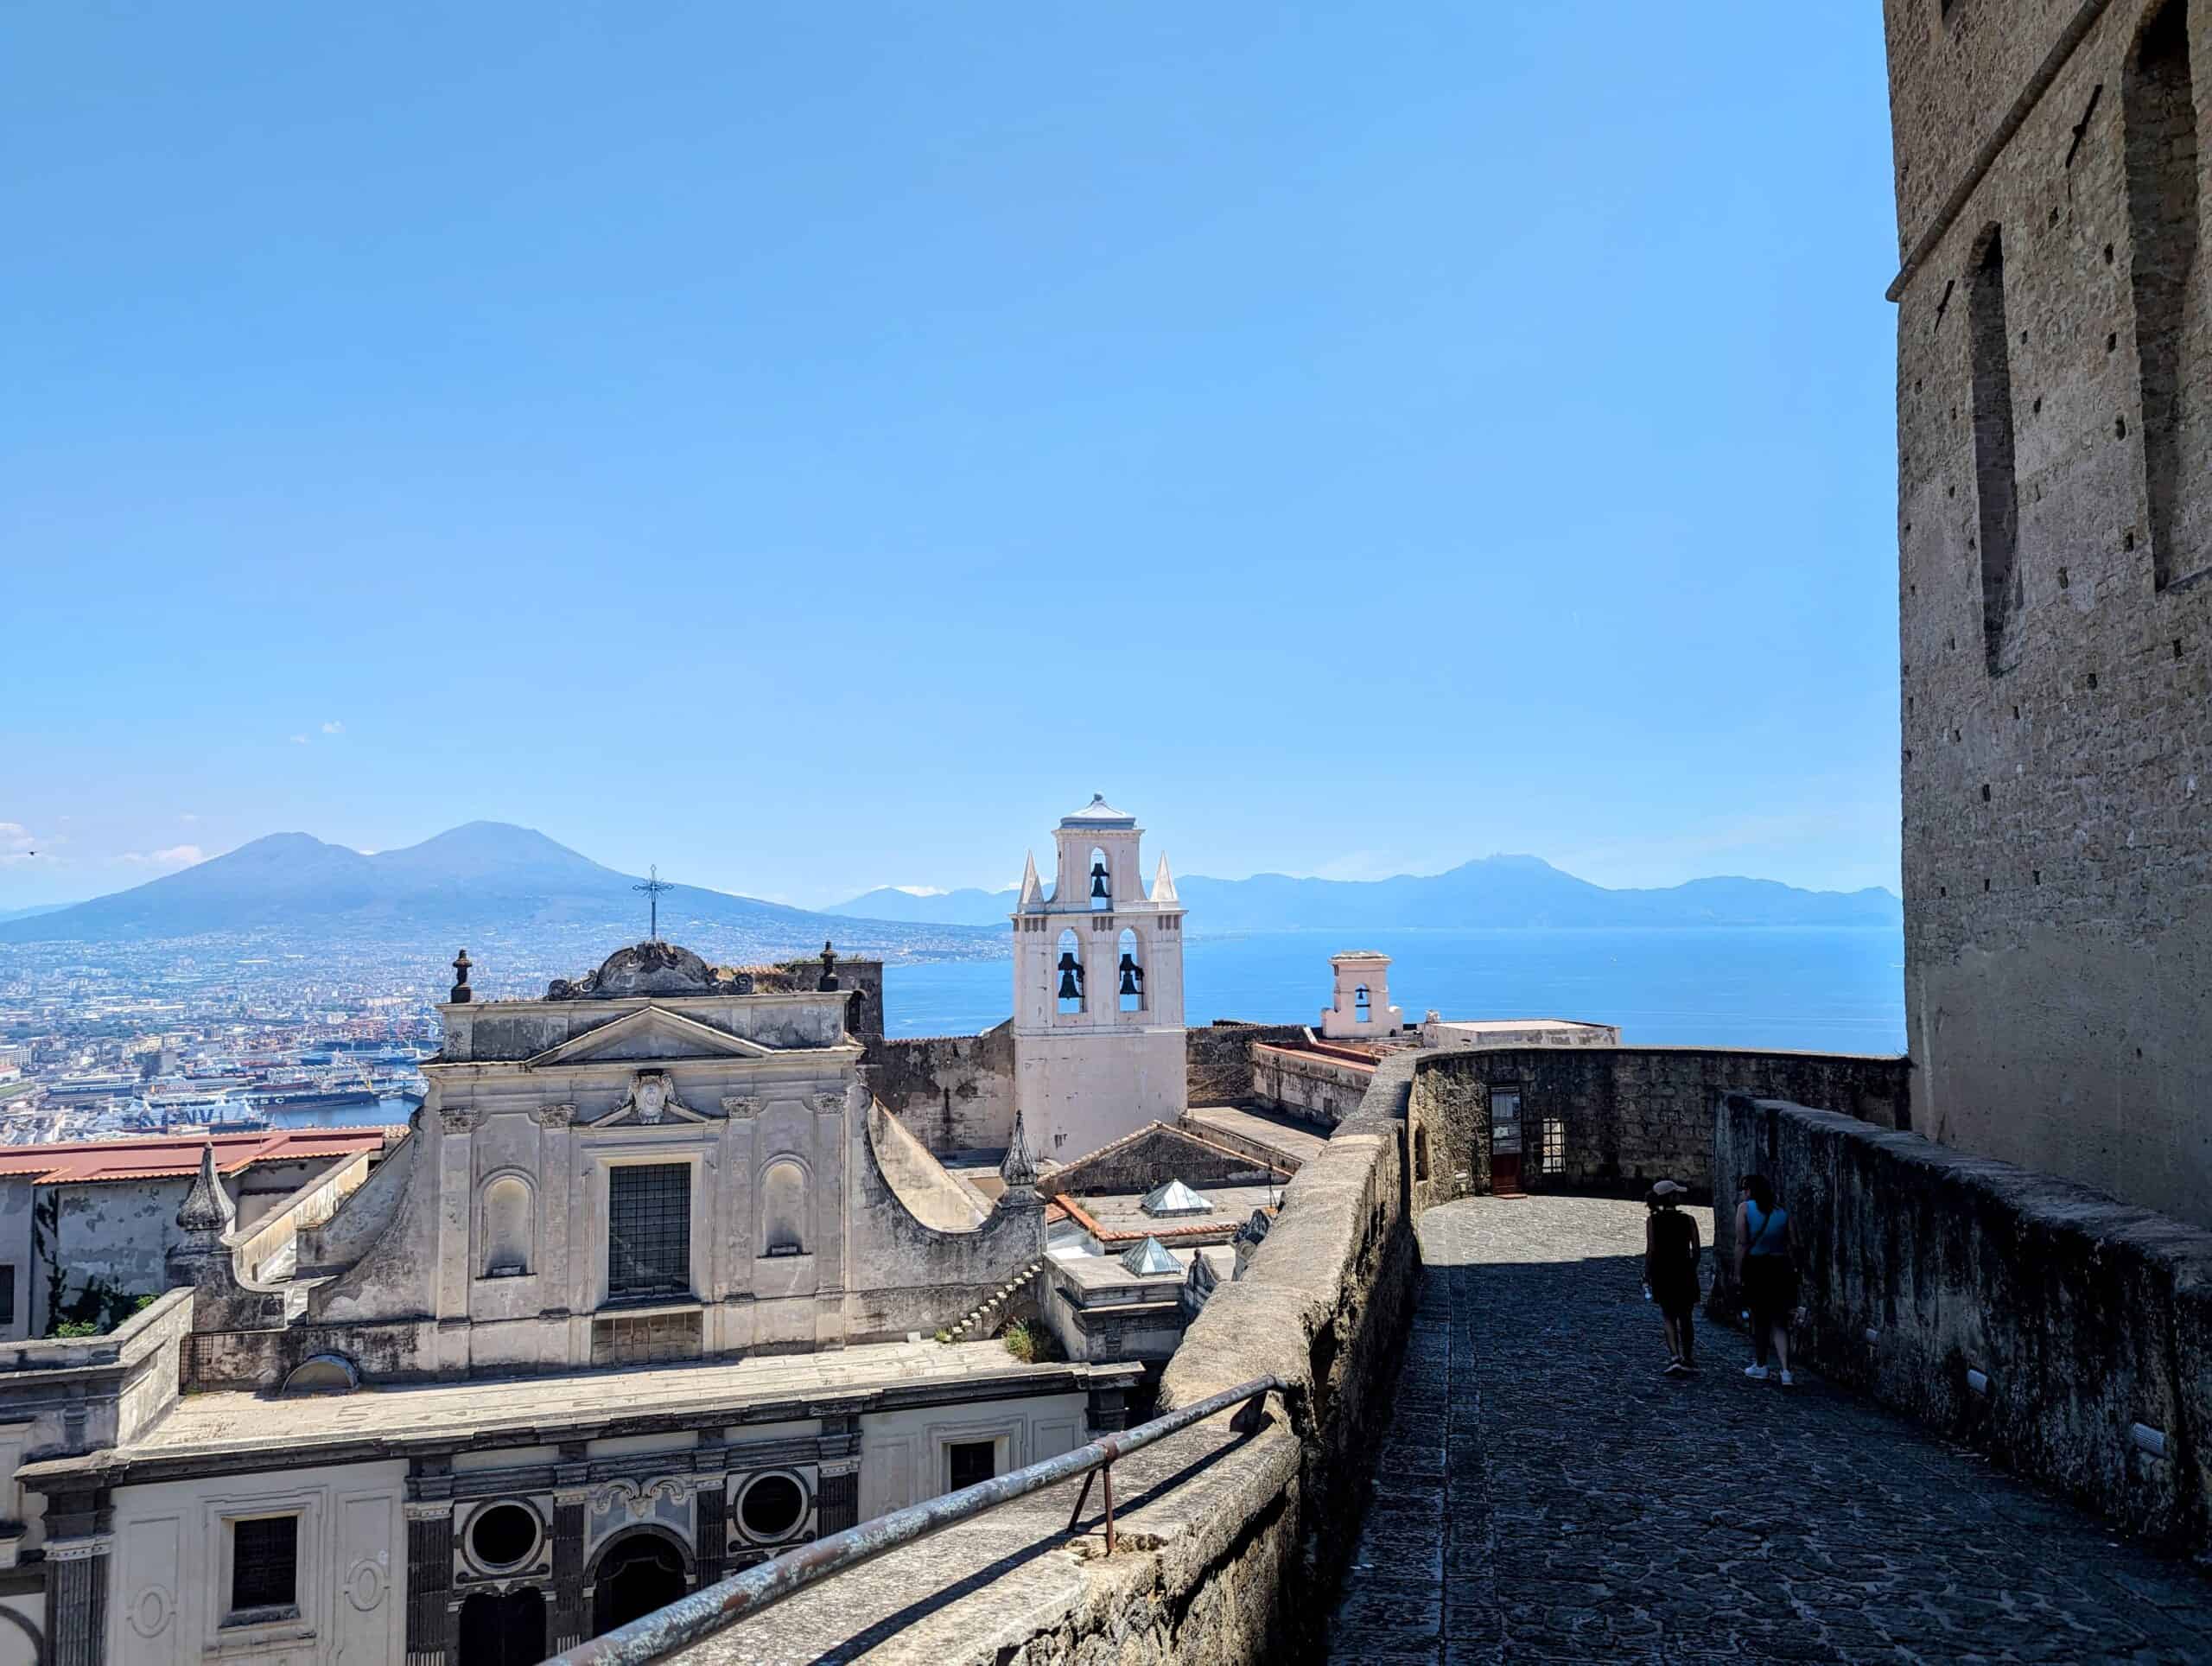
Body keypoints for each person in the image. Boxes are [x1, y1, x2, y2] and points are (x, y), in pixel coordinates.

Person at [1734, 1173, 1797, 1385]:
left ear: (1750, 1191)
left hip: (1757, 1267)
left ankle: (1761, 1365)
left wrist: (1737, 1272)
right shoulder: (1782, 1212)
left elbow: (1742, 1243)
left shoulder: (1745, 1209)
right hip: (1780, 1268)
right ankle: (1786, 1371)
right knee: (1780, 1321)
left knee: (1760, 1318)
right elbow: (1793, 1243)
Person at [1643, 1179, 1701, 1376]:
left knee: (1668, 1315)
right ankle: (1688, 1356)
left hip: (1663, 1272)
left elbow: (1651, 1250)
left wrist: (1647, 1274)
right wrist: (1691, 1267)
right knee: (1686, 1316)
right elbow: (1697, 1250)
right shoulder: (1688, 1220)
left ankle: (1674, 1356)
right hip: (1684, 1271)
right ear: (1672, 1197)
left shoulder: (1653, 1221)